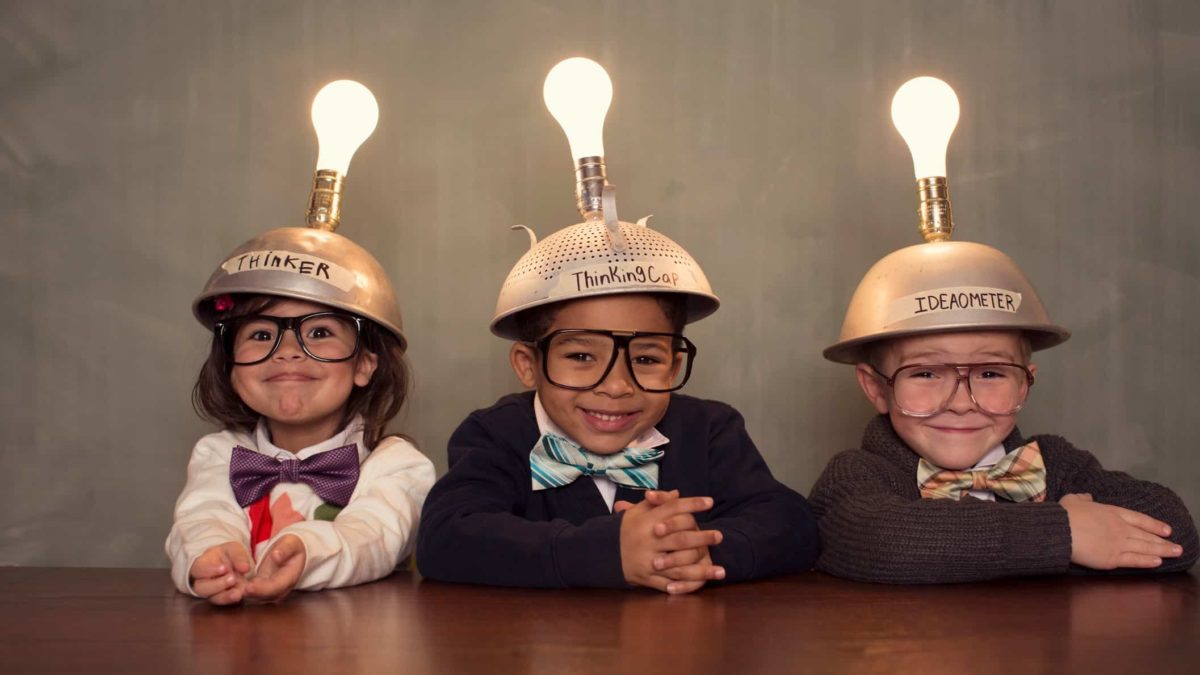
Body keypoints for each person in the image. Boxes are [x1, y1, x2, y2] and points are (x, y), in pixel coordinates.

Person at [417, 199, 819, 593]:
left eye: (645, 358)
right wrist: (607, 551)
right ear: (528, 364)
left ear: (674, 366)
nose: (616, 386)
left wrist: (696, 550)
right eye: (580, 355)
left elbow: (792, 524)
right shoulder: (496, 433)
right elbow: (445, 539)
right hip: (542, 651)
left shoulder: (709, 429)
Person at [810, 239, 1198, 583]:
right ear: (876, 387)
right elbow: (882, 542)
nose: (961, 403)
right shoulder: (856, 476)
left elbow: (1174, 529)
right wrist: (1067, 535)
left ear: (1025, 384)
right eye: (925, 373)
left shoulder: (1056, 464)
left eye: (991, 372)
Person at [166, 226, 435, 604]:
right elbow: (200, 520)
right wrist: (210, 555)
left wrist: (306, 551)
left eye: (319, 332)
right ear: (230, 365)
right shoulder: (218, 454)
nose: (288, 350)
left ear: (364, 365)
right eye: (261, 335)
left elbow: (371, 536)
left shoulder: (399, 466)